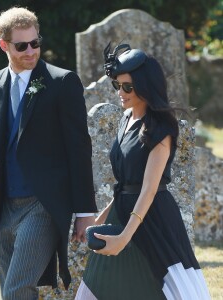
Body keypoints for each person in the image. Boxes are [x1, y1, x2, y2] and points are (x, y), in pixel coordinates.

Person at [0, 6, 97, 300]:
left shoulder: (62, 83)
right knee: (7, 287)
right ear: (4, 45)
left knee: (17, 289)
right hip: (5, 205)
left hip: (43, 204)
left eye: (35, 43)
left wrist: (85, 212)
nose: (30, 51)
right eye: (21, 45)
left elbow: (79, 148)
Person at [75, 43, 211, 300]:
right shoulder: (126, 119)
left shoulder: (160, 128)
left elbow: (148, 188)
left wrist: (125, 237)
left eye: (128, 87)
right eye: (118, 85)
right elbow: (126, 183)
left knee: (170, 292)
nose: (121, 92)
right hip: (122, 214)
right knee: (95, 289)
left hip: (154, 220)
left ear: (146, 87)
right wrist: (101, 218)